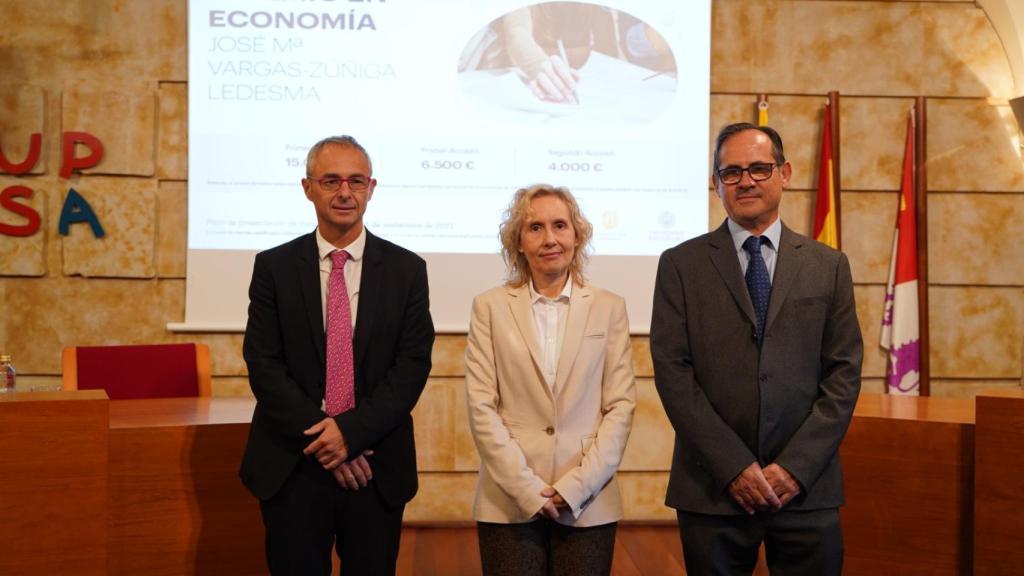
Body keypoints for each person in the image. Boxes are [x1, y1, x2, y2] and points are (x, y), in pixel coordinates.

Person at [651, 123, 863, 575]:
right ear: (715, 184)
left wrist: (795, 467)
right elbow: (673, 374)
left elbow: (843, 374)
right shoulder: (680, 265)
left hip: (807, 488)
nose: (745, 181)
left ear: (784, 173)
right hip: (712, 488)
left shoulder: (828, 266)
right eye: (731, 172)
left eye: (759, 168)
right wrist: (732, 467)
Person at [240, 135, 435, 575]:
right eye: (331, 181)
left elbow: (411, 366)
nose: (345, 192)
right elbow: (263, 364)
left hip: (375, 466)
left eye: (356, 181)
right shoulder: (273, 267)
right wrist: (328, 441)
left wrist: (350, 435)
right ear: (307, 187)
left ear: (371, 188)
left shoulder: (407, 270)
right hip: (294, 463)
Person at [465, 184, 636, 575]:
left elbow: (620, 406)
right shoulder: (488, 307)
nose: (549, 239)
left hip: (589, 501)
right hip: (508, 500)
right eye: (535, 227)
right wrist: (527, 489)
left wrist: (576, 487)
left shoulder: (610, 307)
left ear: (577, 236)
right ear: (518, 241)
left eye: (560, 225)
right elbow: (481, 407)